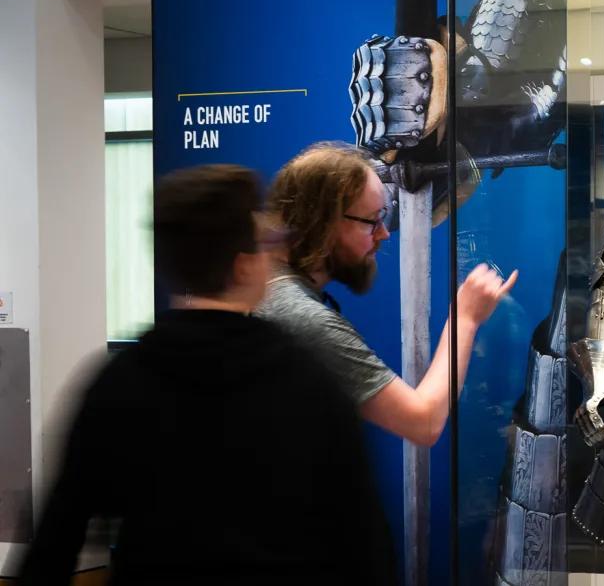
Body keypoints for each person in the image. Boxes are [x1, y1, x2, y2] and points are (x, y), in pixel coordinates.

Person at [20, 165, 396, 586]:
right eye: (264, 243)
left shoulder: (117, 382)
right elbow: (365, 544)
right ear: (242, 266)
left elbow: (57, 538)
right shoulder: (309, 382)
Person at [257, 141, 516, 446]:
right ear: (325, 223)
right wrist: (465, 318)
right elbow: (424, 421)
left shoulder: (266, 290)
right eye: (372, 221)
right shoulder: (303, 319)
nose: (383, 234)